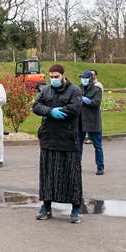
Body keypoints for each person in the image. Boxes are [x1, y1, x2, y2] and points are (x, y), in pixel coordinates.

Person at [30, 63, 85, 223]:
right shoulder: (46, 90)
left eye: (56, 77)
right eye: (51, 77)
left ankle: (76, 208)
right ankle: (46, 206)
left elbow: (75, 108)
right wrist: (50, 111)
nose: (53, 79)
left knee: (71, 175)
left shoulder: (74, 90)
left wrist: (52, 110)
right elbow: (36, 106)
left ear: (63, 75)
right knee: (48, 175)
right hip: (48, 138)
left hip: (67, 139)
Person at [78, 69, 104, 175]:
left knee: (97, 145)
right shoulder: (78, 89)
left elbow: (96, 103)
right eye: (82, 78)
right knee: (78, 145)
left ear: (90, 79)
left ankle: (100, 166)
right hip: (80, 121)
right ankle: (77, 165)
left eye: (85, 78)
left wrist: (86, 101)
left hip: (93, 121)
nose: (83, 80)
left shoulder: (97, 89)